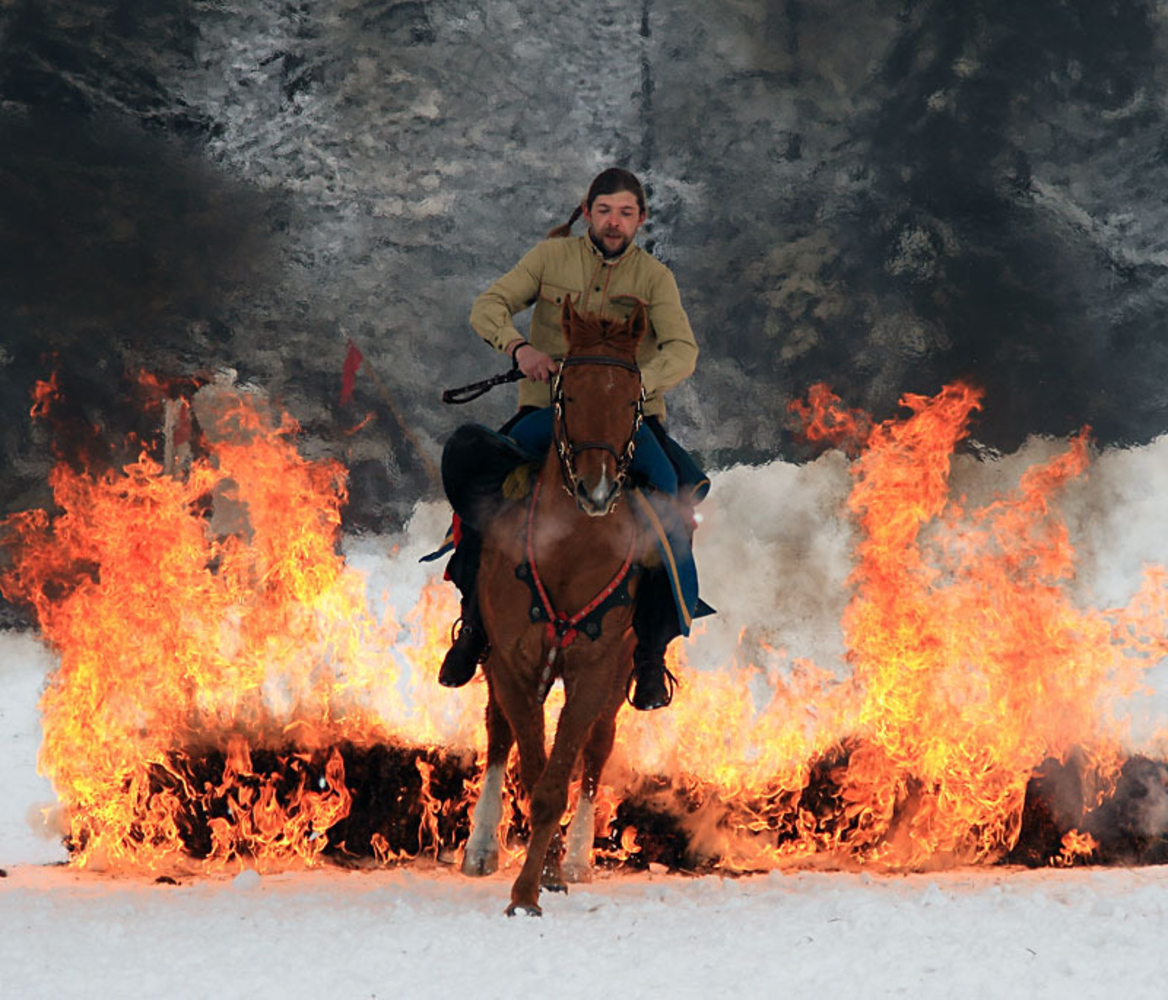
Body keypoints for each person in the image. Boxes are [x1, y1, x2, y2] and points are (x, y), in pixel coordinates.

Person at [439, 167, 701, 710]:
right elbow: (487, 306)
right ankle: (474, 625)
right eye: (605, 210)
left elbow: (682, 349)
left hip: (628, 422)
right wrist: (520, 350)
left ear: (641, 220)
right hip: (549, 412)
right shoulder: (548, 259)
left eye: (627, 213)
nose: (614, 221)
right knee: (482, 482)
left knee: (672, 497)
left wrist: (635, 385)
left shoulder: (655, 278)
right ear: (587, 212)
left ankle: (651, 652)